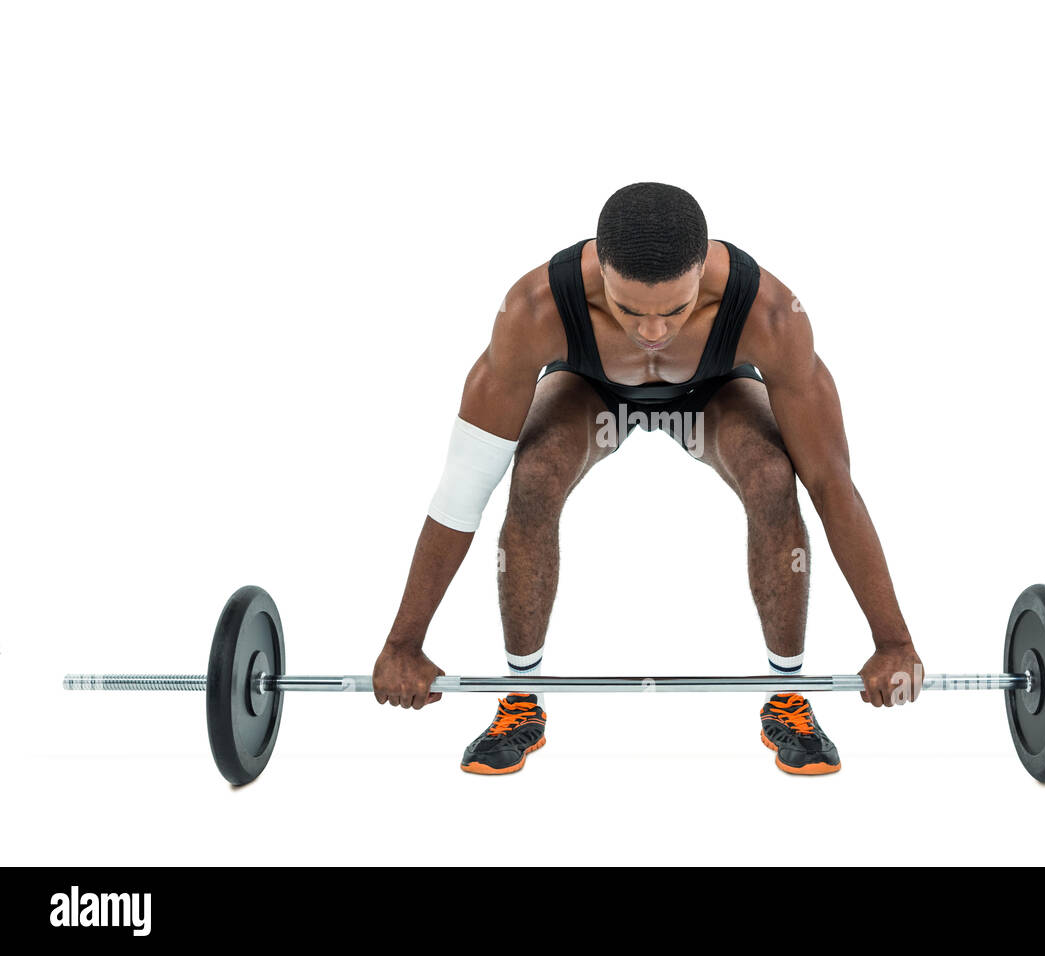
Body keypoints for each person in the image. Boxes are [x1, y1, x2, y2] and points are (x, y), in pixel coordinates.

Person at [372, 182, 924, 775]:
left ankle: (787, 697)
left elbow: (832, 484)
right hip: (592, 388)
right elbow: (463, 488)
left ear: (702, 270)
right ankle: (522, 701)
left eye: (676, 311)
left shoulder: (769, 314)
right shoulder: (536, 310)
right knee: (533, 474)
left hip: (711, 390)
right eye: (628, 311)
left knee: (772, 473)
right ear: (600, 270)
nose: (653, 332)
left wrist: (893, 640)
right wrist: (404, 643)